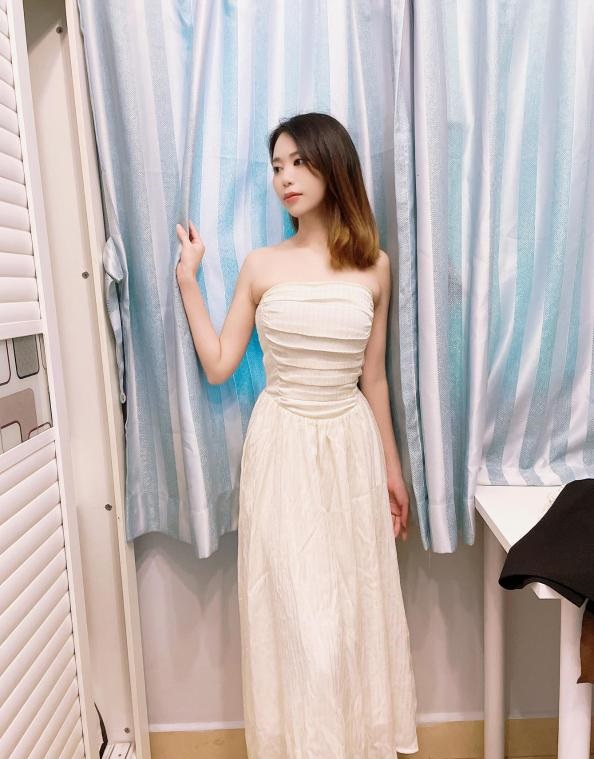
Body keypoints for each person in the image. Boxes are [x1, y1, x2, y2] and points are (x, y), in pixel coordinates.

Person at [176, 112, 418, 758]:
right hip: (281, 445)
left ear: (332, 166)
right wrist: (188, 280)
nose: (284, 177)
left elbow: (373, 378)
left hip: (349, 448)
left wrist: (392, 470)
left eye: (298, 163)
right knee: (296, 616)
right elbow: (220, 363)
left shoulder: (374, 267)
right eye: (277, 166)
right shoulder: (261, 265)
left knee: (350, 612)